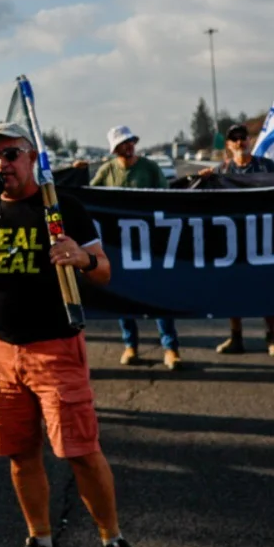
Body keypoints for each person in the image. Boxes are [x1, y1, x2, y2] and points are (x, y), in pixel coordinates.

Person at [0, 122, 155, 547]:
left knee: (80, 451)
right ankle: (40, 544)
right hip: (1, 350)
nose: (1, 164)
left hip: (55, 348)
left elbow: (103, 270)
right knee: (20, 453)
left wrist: (79, 258)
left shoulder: (62, 207)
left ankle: (114, 542)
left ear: (31, 157)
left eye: (10, 154)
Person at [91, 125, 180, 369]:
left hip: (150, 246)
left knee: (159, 295)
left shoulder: (149, 168)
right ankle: (130, 345)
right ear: (115, 149)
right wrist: (76, 174)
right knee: (124, 296)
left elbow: (166, 197)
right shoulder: (107, 171)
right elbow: (88, 195)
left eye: (130, 141)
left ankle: (170, 348)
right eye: (123, 143)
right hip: (120, 247)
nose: (128, 146)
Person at [200, 123, 274, 357]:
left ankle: (271, 337)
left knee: (267, 287)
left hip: (263, 234)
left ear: (250, 140)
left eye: (243, 137)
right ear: (228, 145)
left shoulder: (266, 166)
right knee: (233, 287)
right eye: (234, 139)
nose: (239, 142)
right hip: (233, 239)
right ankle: (236, 336)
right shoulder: (222, 170)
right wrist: (204, 180)